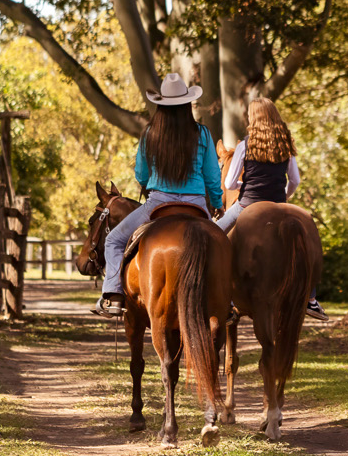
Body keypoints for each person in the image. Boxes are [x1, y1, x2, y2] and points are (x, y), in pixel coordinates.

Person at [96, 72, 224, 315]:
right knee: (222, 245)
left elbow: (141, 174)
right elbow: (211, 176)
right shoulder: (203, 133)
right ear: (187, 104)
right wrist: (217, 203)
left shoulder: (150, 133)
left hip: (158, 203)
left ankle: (114, 294)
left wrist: (148, 183)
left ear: (161, 105)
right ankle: (226, 302)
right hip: (196, 203)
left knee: (113, 240)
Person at [217, 99, 328, 320]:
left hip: (246, 204)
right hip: (279, 203)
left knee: (213, 234)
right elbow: (294, 180)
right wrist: (283, 197)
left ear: (253, 118)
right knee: (310, 241)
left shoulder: (244, 145)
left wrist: (243, 186)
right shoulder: (286, 144)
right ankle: (312, 300)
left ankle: (223, 298)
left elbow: (229, 184)